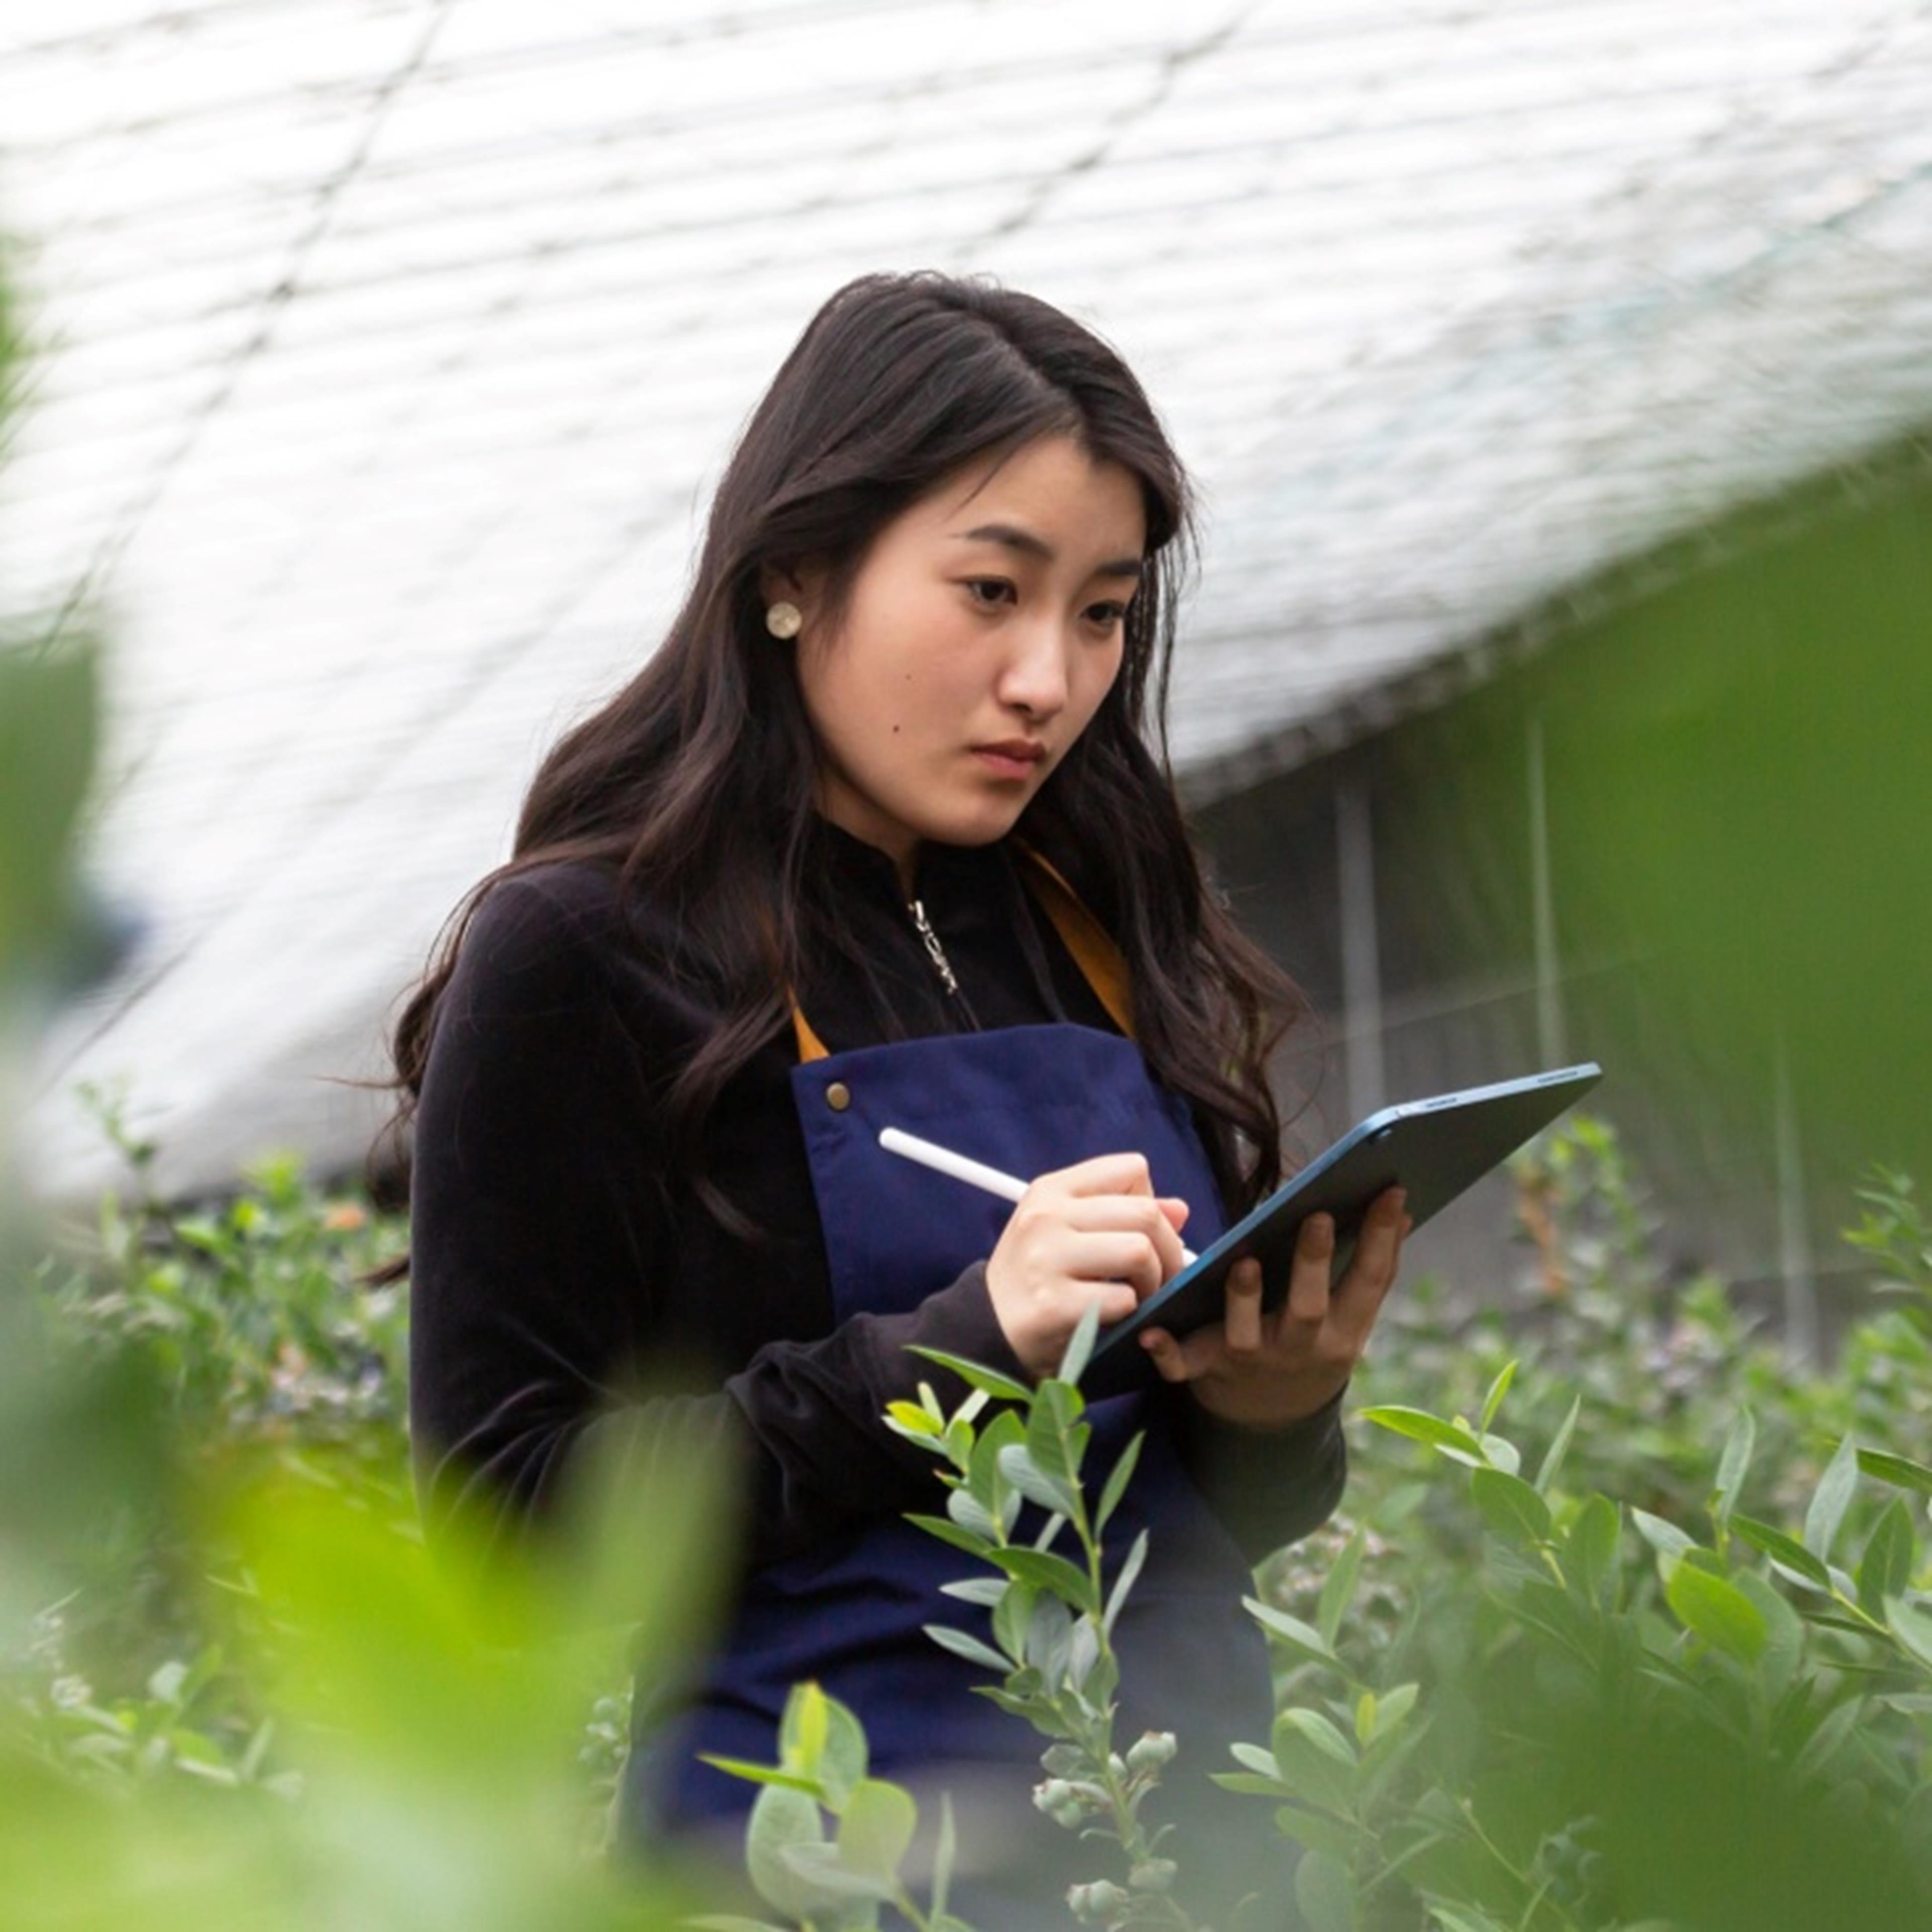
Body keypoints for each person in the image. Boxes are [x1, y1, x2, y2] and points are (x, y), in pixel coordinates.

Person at [391, 271, 1407, 1915]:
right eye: (991, 591)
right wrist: (947, 1356)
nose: (1049, 682)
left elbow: (1200, 1538)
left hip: (1197, 1865)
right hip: (821, 1878)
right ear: (797, 573)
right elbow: (502, 1531)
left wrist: (1275, 1413)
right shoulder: (588, 951)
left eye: (1101, 612)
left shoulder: (1098, 920)